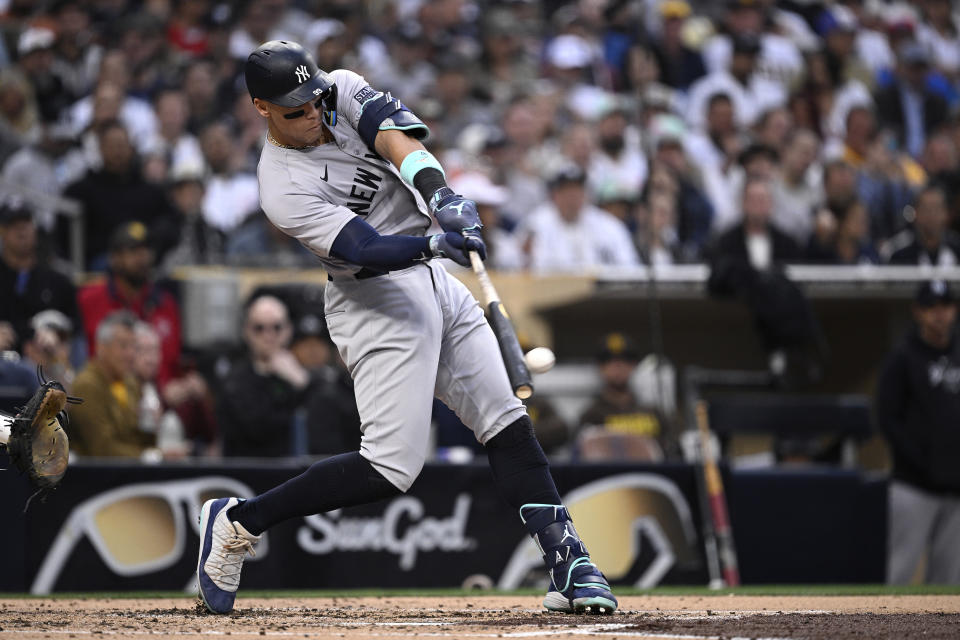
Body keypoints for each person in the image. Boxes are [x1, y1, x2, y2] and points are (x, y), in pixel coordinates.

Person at [197, 40, 616, 616]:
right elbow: (363, 248)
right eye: (296, 108)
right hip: (373, 298)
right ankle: (239, 522)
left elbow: (400, 142)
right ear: (261, 108)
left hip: (433, 280)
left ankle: (570, 563)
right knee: (390, 468)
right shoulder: (280, 186)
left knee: (507, 420)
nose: (314, 113)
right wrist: (433, 240)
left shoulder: (339, 88)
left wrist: (442, 194)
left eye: (315, 99)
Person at [877, 280, 960, 584]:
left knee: (949, 583)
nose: (940, 315)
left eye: (946, 307)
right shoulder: (903, 358)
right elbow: (887, 419)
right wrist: (922, 462)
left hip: (956, 488)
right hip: (914, 486)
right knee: (902, 572)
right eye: (932, 308)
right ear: (918, 312)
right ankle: (890, 633)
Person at [77, 221, 182, 387]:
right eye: (133, 251)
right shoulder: (89, 299)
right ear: (114, 259)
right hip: (107, 396)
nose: (142, 258)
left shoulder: (166, 303)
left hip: (161, 399)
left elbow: (174, 362)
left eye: (146, 251)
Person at [217, 293, 310, 458]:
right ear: (247, 332)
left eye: (277, 327)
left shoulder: (304, 374)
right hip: (251, 471)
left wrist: (300, 383)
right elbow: (257, 429)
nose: (268, 335)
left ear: (288, 330)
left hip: (295, 470)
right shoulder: (235, 379)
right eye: (259, 328)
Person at [68, 311, 155, 458]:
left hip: (131, 471)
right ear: (101, 347)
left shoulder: (130, 383)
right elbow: (103, 449)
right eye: (123, 346)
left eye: (134, 346)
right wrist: (150, 456)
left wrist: (152, 424)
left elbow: (138, 438)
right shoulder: (87, 385)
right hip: (96, 477)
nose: (130, 354)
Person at [524, 164, 639, 273]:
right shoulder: (536, 223)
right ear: (554, 195)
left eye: (576, 190)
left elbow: (629, 266)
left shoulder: (608, 225)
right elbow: (516, 263)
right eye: (566, 191)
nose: (572, 197)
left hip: (599, 292)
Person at [576, 333, 669, 461]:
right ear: (600, 367)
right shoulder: (590, 416)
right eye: (608, 360)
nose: (618, 366)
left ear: (635, 365)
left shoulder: (654, 413)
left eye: (626, 359)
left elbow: (671, 453)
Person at [0, 200, 78, 351]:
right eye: (13, 226)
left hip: (46, 363)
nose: (21, 232)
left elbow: (75, 327)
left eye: (26, 224)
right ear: (2, 231)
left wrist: (57, 334)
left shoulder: (58, 282)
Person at [886, 185, 960, 266]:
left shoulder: (957, 250)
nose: (931, 215)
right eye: (926, 209)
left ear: (946, 214)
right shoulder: (900, 255)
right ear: (916, 213)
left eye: (936, 208)